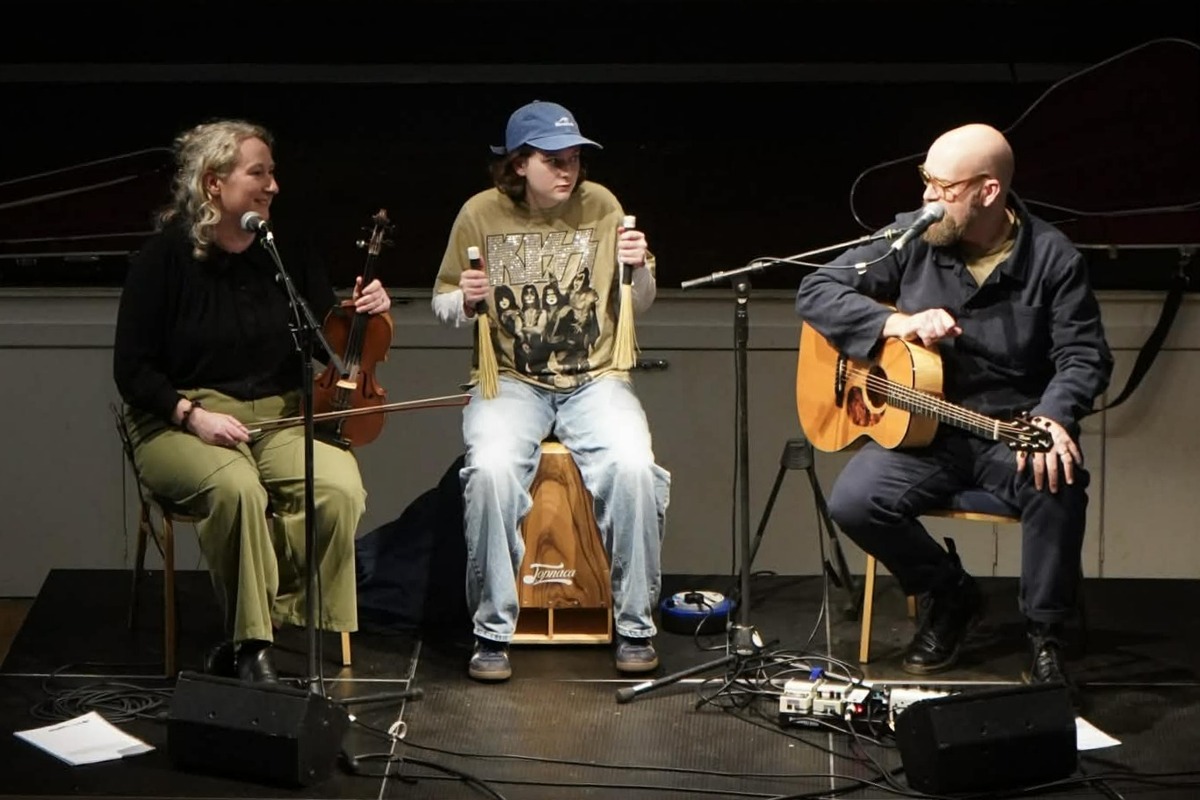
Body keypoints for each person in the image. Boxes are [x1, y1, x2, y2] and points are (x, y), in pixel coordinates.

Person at [795, 123, 1113, 692]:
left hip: (1009, 431)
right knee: (854, 502)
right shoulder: (914, 235)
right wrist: (896, 323)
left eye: (943, 188)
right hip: (925, 434)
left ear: (987, 192)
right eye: (927, 181)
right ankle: (950, 593)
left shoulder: (1052, 258)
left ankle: (1045, 633)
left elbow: (1084, 356)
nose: (927, 198)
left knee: (1058, 482)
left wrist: (1054, 415)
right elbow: (816, 290)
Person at [113, 118, 392, 682]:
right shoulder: (162, 259)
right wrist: (192, 416)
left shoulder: (283, 251)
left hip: (279, 414)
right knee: (236, 490)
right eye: (258, 173)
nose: (273, 186)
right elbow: (132, 370)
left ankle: (274, 615)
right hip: (178, 419)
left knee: (337, 489)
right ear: (214, 183)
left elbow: (326, 342)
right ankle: (250, 644)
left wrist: (363, 312)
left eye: (273, 173)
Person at [432, 100, 671, 682]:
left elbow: (639, 302)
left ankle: (635, 626)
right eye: (553, 160)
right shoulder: (480, 213)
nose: (568, 171)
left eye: (574, 159)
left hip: (595, 378)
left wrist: (639, 270)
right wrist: (464, 300)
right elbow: (442, 303)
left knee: (634, 469)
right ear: (519, 164)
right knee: (490, 472)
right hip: (511, 379)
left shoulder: (602, 205)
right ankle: (492, 633)